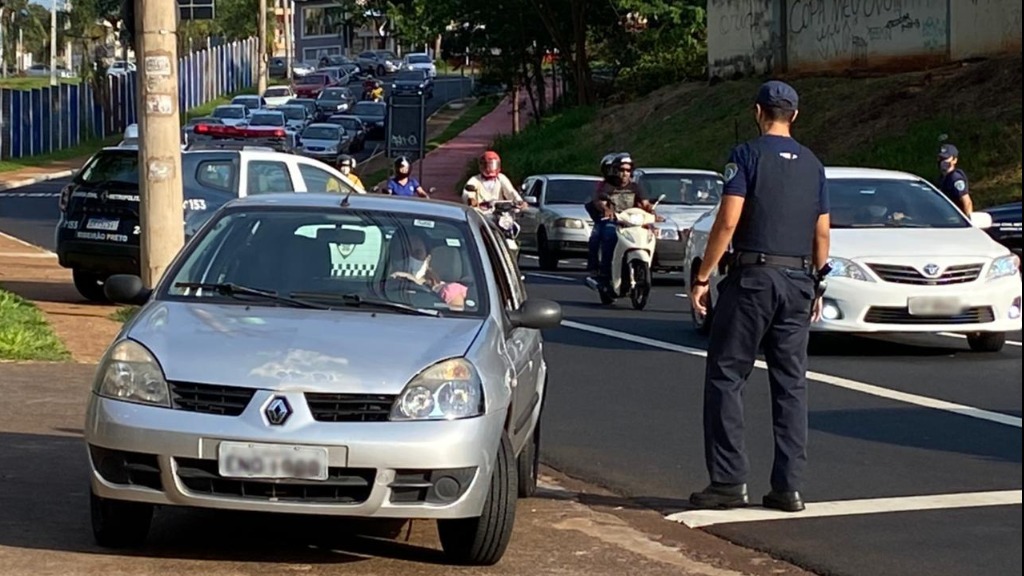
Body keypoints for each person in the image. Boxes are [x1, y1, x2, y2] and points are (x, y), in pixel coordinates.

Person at [688, 80, 831, 514]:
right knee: (791, 384)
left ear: (757, 111)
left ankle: (729, 480)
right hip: (798, 278)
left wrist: (702, 275)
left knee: (727, 375)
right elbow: (822, 231)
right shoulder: (814, 165)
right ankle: (788, 487)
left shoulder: (746, 156)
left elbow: (728, 221)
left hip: (753, 277)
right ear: (795, 116)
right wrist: (818, 282)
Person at [588, 152, 657, 286]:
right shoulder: (608, 186)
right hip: (614, 221)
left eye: (628, 170)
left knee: (648, 235)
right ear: (615, 170)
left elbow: (645, 203)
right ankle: (604, 272)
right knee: (608, 235)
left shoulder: (636, 187)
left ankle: (644, 267)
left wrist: (652, 212)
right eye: (621, 170)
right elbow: (599, 201)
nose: (625, 173)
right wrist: (606, 210)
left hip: (632, 223)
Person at [585, 154, 617, 274]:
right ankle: (595, 266)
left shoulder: (632, 185)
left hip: (628, 219)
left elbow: (641, 201)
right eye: (609, 169)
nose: (612, 172)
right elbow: (596, 199)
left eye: (614, 169)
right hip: (608, 219)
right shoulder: (602, 185)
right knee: (596, 237)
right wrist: (605, 209)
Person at [462, 151, 527, 209]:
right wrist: (471, 199)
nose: (490, 168)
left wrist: (519, 201)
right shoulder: (475, 180)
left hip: (500, 211)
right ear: (482, 166)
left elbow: (510, 191)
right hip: (481, 213)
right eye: (487, 165)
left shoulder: (501, 177)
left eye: (493, 165)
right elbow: (467, 193)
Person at [937, 143, 972, 216]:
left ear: (954, 160)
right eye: (941, 158)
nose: (942, 161)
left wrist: (968, 221)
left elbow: (967, 201)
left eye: (946, 158)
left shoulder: (955, 177)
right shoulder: (942, 178)